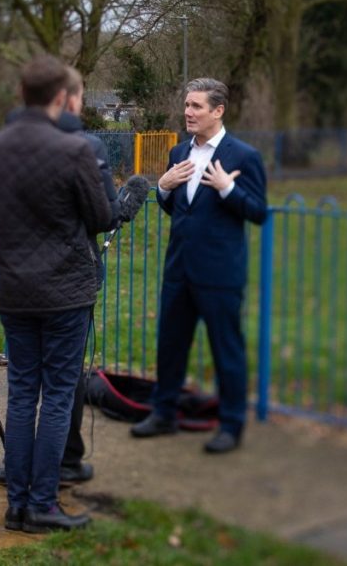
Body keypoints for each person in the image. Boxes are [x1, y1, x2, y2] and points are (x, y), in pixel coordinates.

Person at [0, 55, 114, 533]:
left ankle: (17, 504)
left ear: (21, 94)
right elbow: (101, 217)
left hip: (14, 288)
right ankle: (41, 505)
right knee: (57, 395)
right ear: (60, 97)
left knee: (21, 393)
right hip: (64, 291)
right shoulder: (74, 150)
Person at [130, 78, 267, 454]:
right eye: (187, 105)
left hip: (220, 274)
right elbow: (178, 209)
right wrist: (162, 187)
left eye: (197, 107)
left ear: (218, 111)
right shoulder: (178, 153)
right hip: (179, 270)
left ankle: (232, 425)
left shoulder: (243, 157)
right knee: (170, 346)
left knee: (227, 350)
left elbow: (257, 212)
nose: (188, 112)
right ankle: (163, 414)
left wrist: (227, 188)